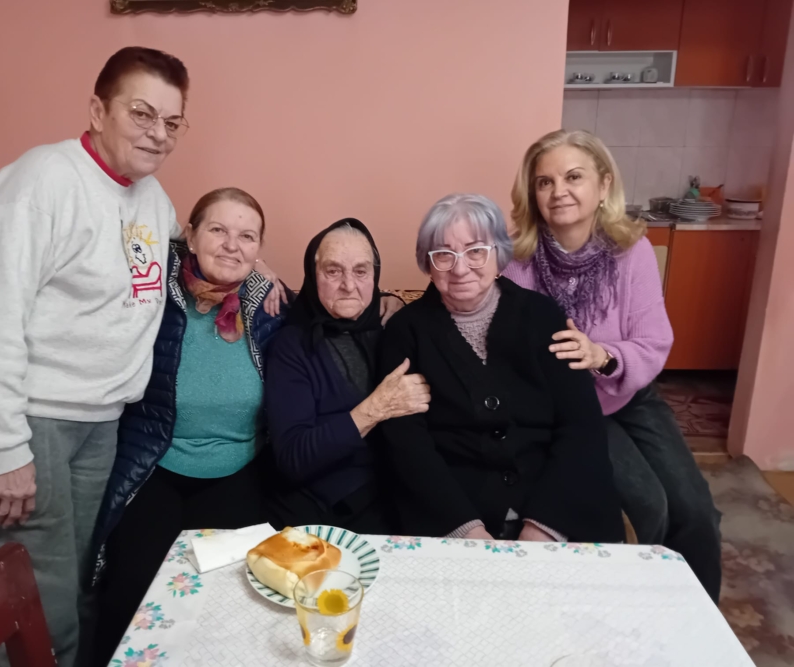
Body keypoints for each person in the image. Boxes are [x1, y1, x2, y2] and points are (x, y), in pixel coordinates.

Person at [0, 46, 192, 667]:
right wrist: (4, 450)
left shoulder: (151, 197)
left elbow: (182, 253)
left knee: (78, 579)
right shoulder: (42, 182)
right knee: (37, 602)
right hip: (29, 414)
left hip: (98, 418)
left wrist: (255, 269)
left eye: (172, 122)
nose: (158, 134)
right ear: (98, 111)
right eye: (142, 114)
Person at [92, 201, 404, 661]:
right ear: (190, 236)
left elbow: (342, 298)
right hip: (158, 464)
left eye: (247, 237)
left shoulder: (269, 306)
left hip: (239, 470)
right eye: (218, 230)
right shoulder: (153, 292)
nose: (231, 245)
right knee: (134, 586)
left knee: (232, 595)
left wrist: (392, 299)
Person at [503, 129, 722, 601]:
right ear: (532, 193)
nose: (559, 191)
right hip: (570, 410)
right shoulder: (516, 260)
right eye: (544, 182)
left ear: (603, 185)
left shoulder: (632, 251)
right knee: (651, 506)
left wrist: (601, 355)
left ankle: (695, 617)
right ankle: (640, 606)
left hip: (630, 392)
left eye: (573, 177)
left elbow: (653, 341)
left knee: (697, 510)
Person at [378, 193, 625, 544]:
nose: (460, 268)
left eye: (475, 251)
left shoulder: (543, 316)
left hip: (556, 508)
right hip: (455, 517)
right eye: (444, 254)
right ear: (428, 264)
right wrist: (465, 529)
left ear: (498, 255)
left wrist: (544, 526)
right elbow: (406, 443)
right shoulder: (404, 331)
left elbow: (581, 424)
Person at [264, 219, 430, 534]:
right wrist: (375, 408)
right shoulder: (292, 345)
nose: (348, 285)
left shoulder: (395, 329)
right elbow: (293, 458)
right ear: (313, 275)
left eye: (361, 271)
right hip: (320, 511)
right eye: (333, 271)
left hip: (396, 502)